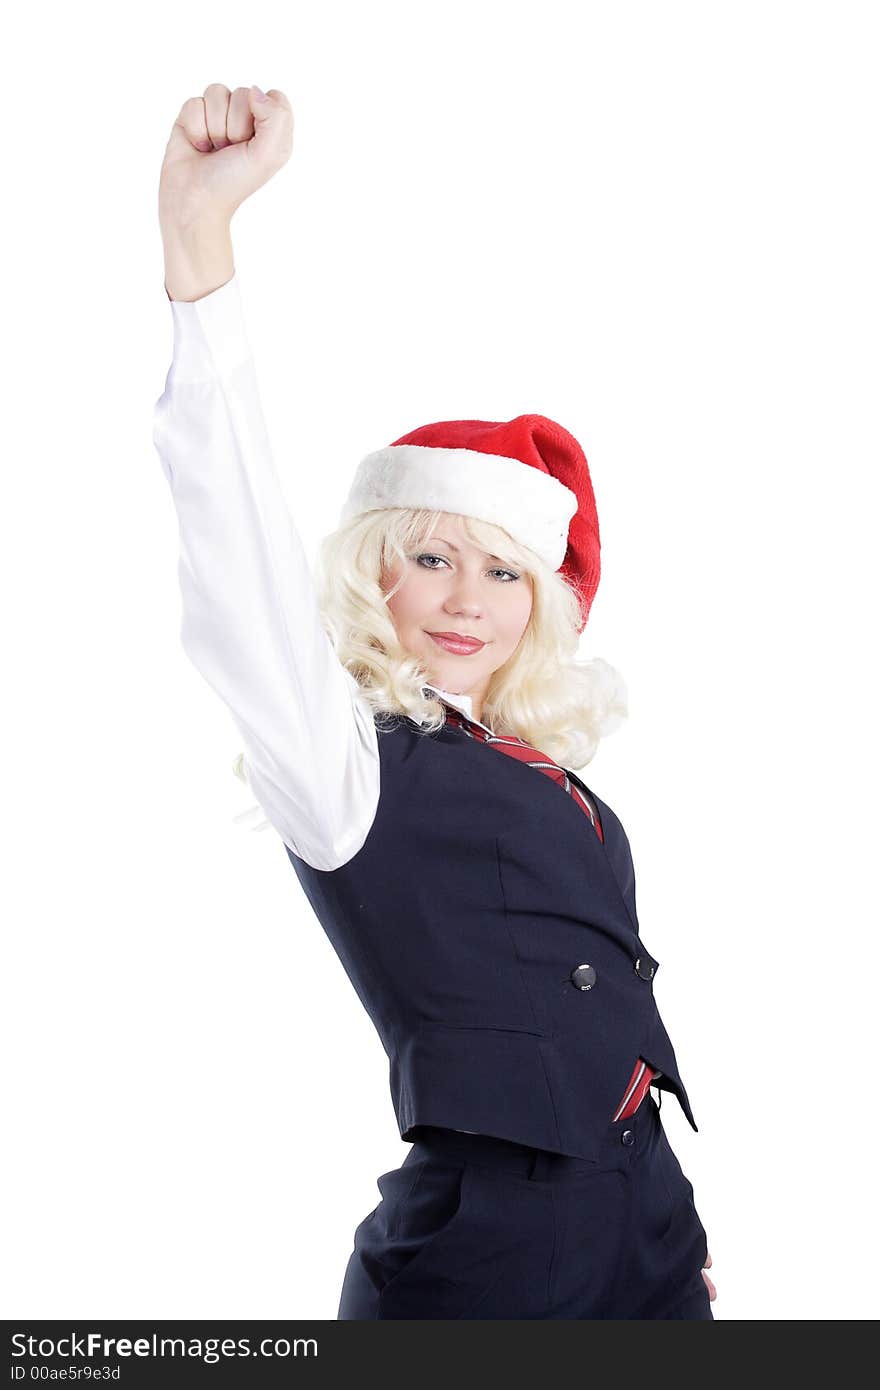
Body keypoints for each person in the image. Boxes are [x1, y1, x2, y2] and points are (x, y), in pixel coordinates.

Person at [154, 82, 717, 1319]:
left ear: (541, 602)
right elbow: (234, 553)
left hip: (651, 1225)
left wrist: (659, 1229)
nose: (466, 599)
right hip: (492, 1251)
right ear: (374, 575)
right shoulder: (344, 763)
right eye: (429, 557)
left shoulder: (545, 775)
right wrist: (201, 247)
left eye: (504, 569)